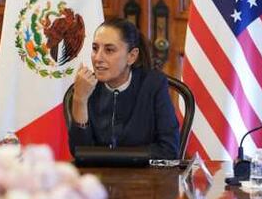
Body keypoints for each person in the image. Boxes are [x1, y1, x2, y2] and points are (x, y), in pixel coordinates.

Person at [67, 18, 180, 159]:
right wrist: (80, 100)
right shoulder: (85, 86)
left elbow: (169, 149)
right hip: (99, 178)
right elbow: (80, 153)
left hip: (144, 179)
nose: (97, 58)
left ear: (131, 56)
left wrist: (115, 158)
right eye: (95, 48)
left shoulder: (153, 84)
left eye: (109, 50)